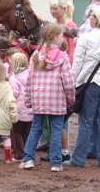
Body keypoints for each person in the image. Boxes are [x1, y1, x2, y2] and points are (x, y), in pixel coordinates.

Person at [63, 6, 100, 169]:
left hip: (92, 84)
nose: (89, 17)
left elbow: (77, 65)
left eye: (91, 15)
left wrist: (71, 84)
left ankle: (79, 158)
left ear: (96, 19)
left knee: (86, 121)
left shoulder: (86, 38)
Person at [19, 23, 75, 173]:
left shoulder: (35, 56)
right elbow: (68, 81)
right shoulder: (63, 57)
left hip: (39, 99)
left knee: (35, 129)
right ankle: (56, 163)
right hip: (57, 100)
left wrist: (28, 99)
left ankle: (28, 159)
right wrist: (70, 98)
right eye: (61, 35)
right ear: (56, 37)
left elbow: (29, 79)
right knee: (56, 130)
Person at [0, 62, 18, 165]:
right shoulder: (7, 86)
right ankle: (8, 158)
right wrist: (14, 117)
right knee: (6, 138)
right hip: (5, 119)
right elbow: (11, 103)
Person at [8, 53, 32, 161]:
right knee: (26, 132)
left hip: (18, 109)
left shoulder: (14, 77)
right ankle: (28, 154)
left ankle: (20, 155)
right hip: (30, 108)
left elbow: (14, 93)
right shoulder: (31, 74)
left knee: (16, 132)